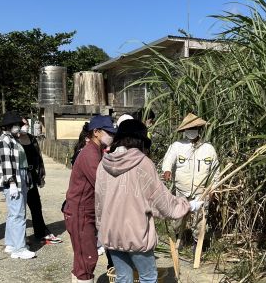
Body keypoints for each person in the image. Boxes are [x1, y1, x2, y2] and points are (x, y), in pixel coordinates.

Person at [95, 119, 203, 283]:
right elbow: (162, 202)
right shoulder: (143, 164)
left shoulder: (103, 164)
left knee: (123, 278)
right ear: (140, 141)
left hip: (111, 233)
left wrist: (100, 229)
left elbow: (99, 203)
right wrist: (188, 205)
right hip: (136, 235)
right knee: (148, 277)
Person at [63, 115, 116, 283]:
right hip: (80, 212)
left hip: (86, 211)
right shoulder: (90, 154)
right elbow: (102, 184)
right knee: (87, 259)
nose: (111, 136)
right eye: (108, 132)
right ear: (96, 132)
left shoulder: (97, 151)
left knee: (83, 259)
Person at [161, 113, 219, 248]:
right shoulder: (177, 146)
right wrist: (167, 171)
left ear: (199, 129)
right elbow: (168, 160)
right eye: (189, 129)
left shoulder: (208, 148)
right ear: (184, 130)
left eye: (195, 128)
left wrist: (213, 188)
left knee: (200, 218)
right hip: (181, 189)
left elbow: (216, 170)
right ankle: (178, 237)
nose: (191, 131)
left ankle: (197, 244)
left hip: (201, 191)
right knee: (178, 217)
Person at [0, 111, 35, 259]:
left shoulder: (12, 139)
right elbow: (6, 164)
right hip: (14, 179)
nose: (19, 127)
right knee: (18, 214)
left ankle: (11, 243)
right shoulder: (4, 140)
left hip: (20, 177)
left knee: (13, 213)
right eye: (17, 124)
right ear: (10, 126)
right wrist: (11, 183)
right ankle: (19, 248)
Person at [18, 118, 61, 244]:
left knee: (36, 205)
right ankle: (21, 237)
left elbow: (39, 157)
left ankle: (40, 232)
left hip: (32, 175)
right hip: (20, 176)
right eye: (22, 124)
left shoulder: (32, 139)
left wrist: (40, 175)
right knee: (20, 208)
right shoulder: (13, 140)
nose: (25, 126)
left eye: (26, 124)